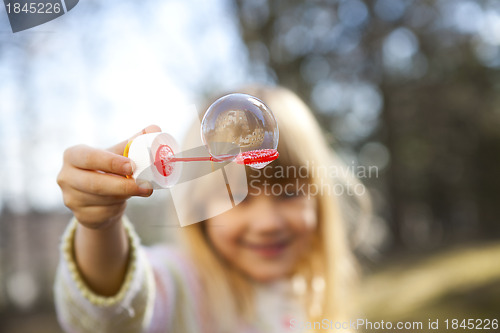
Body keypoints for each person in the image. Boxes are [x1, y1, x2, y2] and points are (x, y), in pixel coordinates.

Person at [54, 85, 371, 333]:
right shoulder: (181, 285)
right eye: (237, 195)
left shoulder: (312, 290)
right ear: (198, 206)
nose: (267, 223)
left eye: (289, 193)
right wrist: (101, 227)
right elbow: (110, 318)